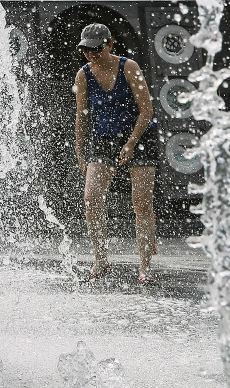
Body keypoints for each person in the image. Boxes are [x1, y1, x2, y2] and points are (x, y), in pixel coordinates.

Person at [73, 23, 161, 285]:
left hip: (140, 134)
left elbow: (147, 110)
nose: (92, 55)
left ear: (110, 45)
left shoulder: (129, 67)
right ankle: (101, 260)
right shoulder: (83, 75)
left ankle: (144, 269)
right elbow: (81, 119)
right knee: (91, 198)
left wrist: (131, 143)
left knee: (142, 204)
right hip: (104, 137)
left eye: (97, 49)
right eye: (87, 50)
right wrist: (81, 155)